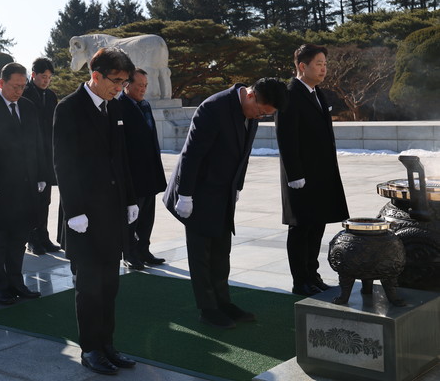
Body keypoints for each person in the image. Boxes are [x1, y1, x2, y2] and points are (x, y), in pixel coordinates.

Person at [163, 77, 287, 330]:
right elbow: (192, 154)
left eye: (266, 115)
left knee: (221, 251)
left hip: (223, 190)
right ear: (251, 95)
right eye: (261, 111)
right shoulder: (214, 108)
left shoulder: (251, 113)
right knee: (201, 253)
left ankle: (223, 302)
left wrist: (237, 186)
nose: (260, 117)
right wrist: (185, 195)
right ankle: (208, 309)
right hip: (197, 190)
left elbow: (244, 154)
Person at [53, 47, 140, 375]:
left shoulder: (114, 106)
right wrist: (74, 211)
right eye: (115, 81)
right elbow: (63, 162)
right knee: (89, 287)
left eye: (124, 82)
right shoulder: (69, 108)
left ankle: (107, 345)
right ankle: (90, 349)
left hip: (111, 212)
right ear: (96, 75)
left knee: (109, 285)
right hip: (84, 217)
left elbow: (121, 157)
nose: (119, 87)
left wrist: (130, 199)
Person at [0, 63, 47, 305]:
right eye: (15, 86)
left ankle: (16, 282)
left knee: (19, 238)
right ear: (1, 83)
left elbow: (37, 143)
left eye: (23, 86)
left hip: (25, 185)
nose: (19, 91)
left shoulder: (28, 106)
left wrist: (41, 174)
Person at [276, 44, 349, 296]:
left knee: (317, 225)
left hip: (321, 174)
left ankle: (312, 275)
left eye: (325, 64)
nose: (323, 69)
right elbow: (286, 138)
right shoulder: (290, 94)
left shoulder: (317, 93)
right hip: (301, 176)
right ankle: (300, 281)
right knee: (301, 228)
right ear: (302, 66)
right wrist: (295, 175)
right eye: (319, 64)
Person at [118, 68, 167, 269]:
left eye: (145, 85)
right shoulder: (120, 106)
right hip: (132, 173)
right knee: (131, 216)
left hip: (149, 171)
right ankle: (129, 252)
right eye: (139, 85)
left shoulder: (145, 105)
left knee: (147, 215)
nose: (143, 89)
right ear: (127, 85)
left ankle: (144, 249)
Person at [22, 57, 61, 255]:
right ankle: (32, 239)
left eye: (49, 77)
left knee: (45, 199)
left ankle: (44, 236)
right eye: (43, 76)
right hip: (30, 153)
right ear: (33, 75)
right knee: (31, 200)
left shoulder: (51, 96)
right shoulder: (24, 93)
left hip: (47, 153)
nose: (46, 80)